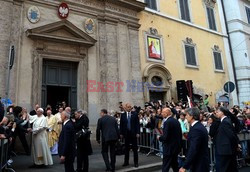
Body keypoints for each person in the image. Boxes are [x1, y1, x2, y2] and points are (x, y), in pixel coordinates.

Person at [179, 108, 209, 172]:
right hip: (199, 162)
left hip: (199, 163)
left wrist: (185, 166)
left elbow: (193, 148)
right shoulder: (197, 126)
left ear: (191, 116)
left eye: (187, 115)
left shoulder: (196, 129)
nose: (186, 117)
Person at [158, 108, 182, 172]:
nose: (161, 114)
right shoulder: (176, 121)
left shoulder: (167, 122)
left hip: (169, 148)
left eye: (163, 112)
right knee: (174, 165)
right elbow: (179, 135)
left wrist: (159, 138)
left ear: (167, 113)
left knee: (166, 166)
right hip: (175, 147)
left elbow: (165, 137)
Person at [215, 107, 239, 172]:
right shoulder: (225, 121)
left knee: (224, 168)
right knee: (231, 168)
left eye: (217, 112)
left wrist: (236, 145)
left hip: (226, 150)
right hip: (227, 149)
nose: (216, 113)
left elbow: (231, 135)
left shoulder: (225, 122)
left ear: (222, 112)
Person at [120, 103, 140, 168]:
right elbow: (121, 125)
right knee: (126, 148)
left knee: (134, 149)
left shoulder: (135, 114)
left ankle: (136, 162)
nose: (129, 108)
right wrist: (121, 133)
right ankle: (126, 162)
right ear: (125, 108)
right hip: (126, 134)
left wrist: (138, 132)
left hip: (133, 133)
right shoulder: (123, 115)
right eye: (128, 107)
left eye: (130, 107)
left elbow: (137, 124)